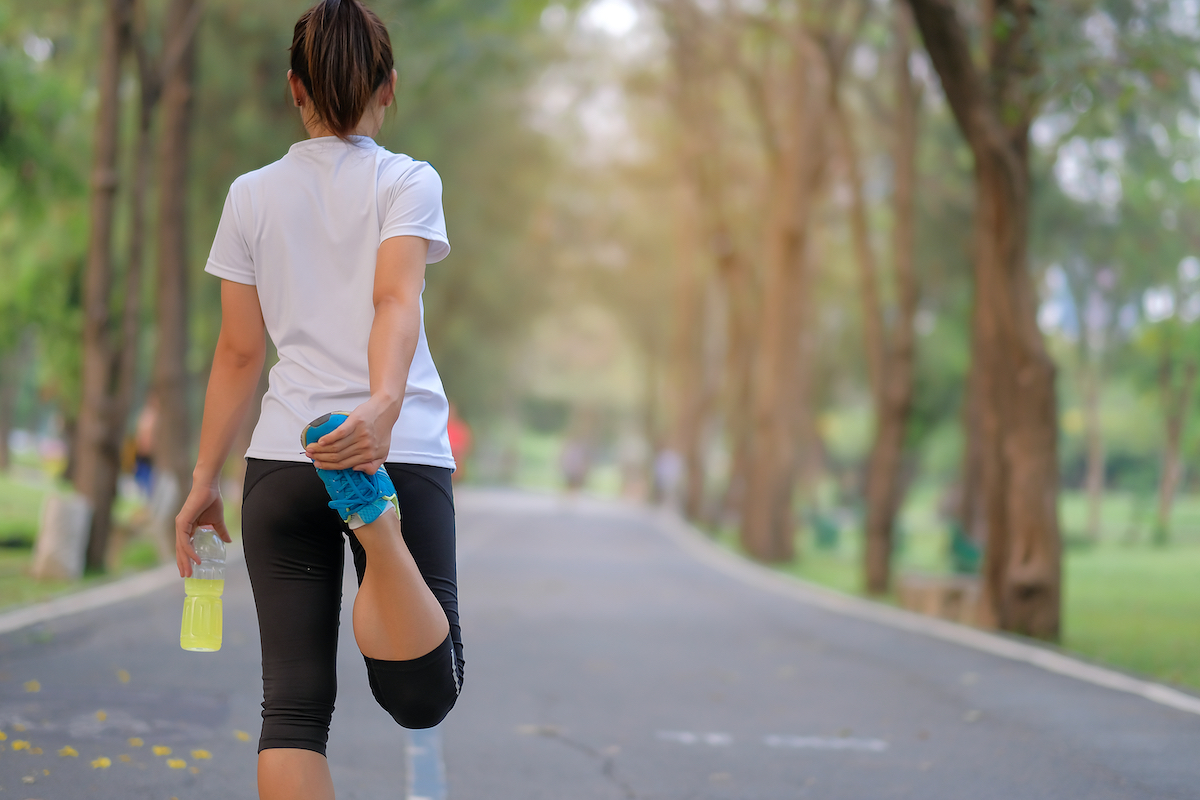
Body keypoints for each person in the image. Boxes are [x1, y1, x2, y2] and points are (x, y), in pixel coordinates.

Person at [172, 3, 463, 798]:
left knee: (293, 714)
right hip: (389, 450)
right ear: (389, 88)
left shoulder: (250, 195)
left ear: (294, 89)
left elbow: (238, 352)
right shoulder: (408, 180)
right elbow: (394, 301)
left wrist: (203, 480)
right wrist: (379, 410)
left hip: (283, 456)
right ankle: (374, 517)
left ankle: (367, 509)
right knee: (424, 693)